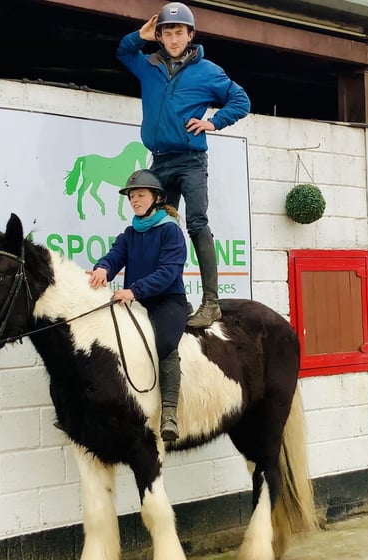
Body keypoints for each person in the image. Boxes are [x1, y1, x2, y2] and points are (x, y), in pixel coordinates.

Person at [117, 2, 250, 328]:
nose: (173, 38)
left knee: (196, 223)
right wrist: (139, 35)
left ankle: (211, 303)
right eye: (167, 32)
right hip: (159, 162)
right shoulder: (148, 65)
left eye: (179, 32)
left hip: (190, 161)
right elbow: (122, 52)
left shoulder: (208, 72)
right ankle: (158, 297)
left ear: (190, 35)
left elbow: (241, 100)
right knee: (159, 227)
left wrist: (214, 122)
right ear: (159, 36)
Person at [88, 169, 188, 441]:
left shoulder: (170, 231)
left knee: (166, 343)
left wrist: (134, 290)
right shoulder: (130, 233)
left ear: (156, 198)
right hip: (136, 298)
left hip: (167, 301)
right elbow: (114, 256)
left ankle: (169, 413)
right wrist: (102, 270)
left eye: (140, 195)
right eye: (131, 196)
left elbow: (168, 272)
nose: (134, 200)